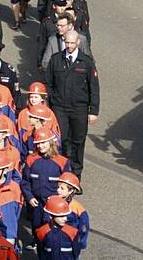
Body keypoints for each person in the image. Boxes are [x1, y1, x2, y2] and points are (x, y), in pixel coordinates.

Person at [44, 30, 100, 179]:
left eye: (71, 43)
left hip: (79, 108)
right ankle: (61, 172)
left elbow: (94, 87)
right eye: (66, 42)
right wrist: (50, 101)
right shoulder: (56, 60)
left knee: (78, 141)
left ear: (78, 42)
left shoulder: (86, 62)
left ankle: (75, 176)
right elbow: (48, 83)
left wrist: (93, 111)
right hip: (60, 107)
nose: (68, 46)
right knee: (61, 140)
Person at [20, 127, 71, 236]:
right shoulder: (30, 159)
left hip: (54, 202)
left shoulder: (62, 162)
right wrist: (29, 197)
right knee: (36, 225)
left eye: (43, 142)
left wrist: (61, 200)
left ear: (51, 142)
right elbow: (25, 181)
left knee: (52, 228)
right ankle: (36, 243)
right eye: (38, 143)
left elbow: (67, 184)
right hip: (36, 202)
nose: (40, 146)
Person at [46, 172, 89, 250]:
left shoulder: (78, 209)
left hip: (69, 244)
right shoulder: (51, 201)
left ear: (71, 191)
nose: (58, 190)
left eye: (62, 188)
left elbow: (83, 230)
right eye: (58, 187)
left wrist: (79, 245)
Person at [35, 196, 81, 260]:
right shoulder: (42, 232)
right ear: (50, 216)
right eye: (61, 216)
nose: (65, 219)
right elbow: (40, 251)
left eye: (65, 215)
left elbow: (76, 252)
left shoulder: (72, 232)